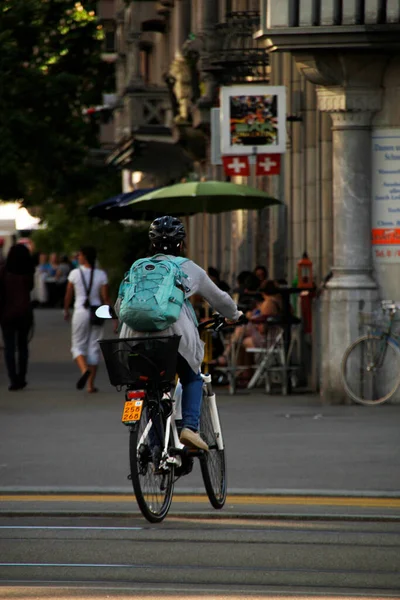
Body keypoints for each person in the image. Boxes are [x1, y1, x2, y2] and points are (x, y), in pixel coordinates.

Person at [116, 216, 242, 451]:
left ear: (151, 244)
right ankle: (190, 428)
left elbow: (119, 307)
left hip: (133, 342)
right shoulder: (188, 268)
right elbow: (219, 299)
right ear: (181, 244)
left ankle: (154, 450)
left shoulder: (138, 268)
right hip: (173, 340)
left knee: (149, 387)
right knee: (191, 376)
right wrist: (235, 315)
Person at [63, 246, 111, 393]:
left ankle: (84, 370)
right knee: (94, 347)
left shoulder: (74, 273)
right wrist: (114, 318)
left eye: (80, 255)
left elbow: (68, 295)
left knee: (77, 345)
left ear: (85, 257)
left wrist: (65, 310)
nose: (78, 257)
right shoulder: (101, 274)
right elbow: (106, 298)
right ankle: (90, 385)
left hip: (81, 311)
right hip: (97, 312)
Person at [0, 244, 35, 390]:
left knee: (9, 347)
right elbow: (30, 289)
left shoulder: (3, 272)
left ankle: (13, 379)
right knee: (23, 346)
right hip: (25, 313)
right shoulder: (28, 273)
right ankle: (22, 377)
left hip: (7, 314)